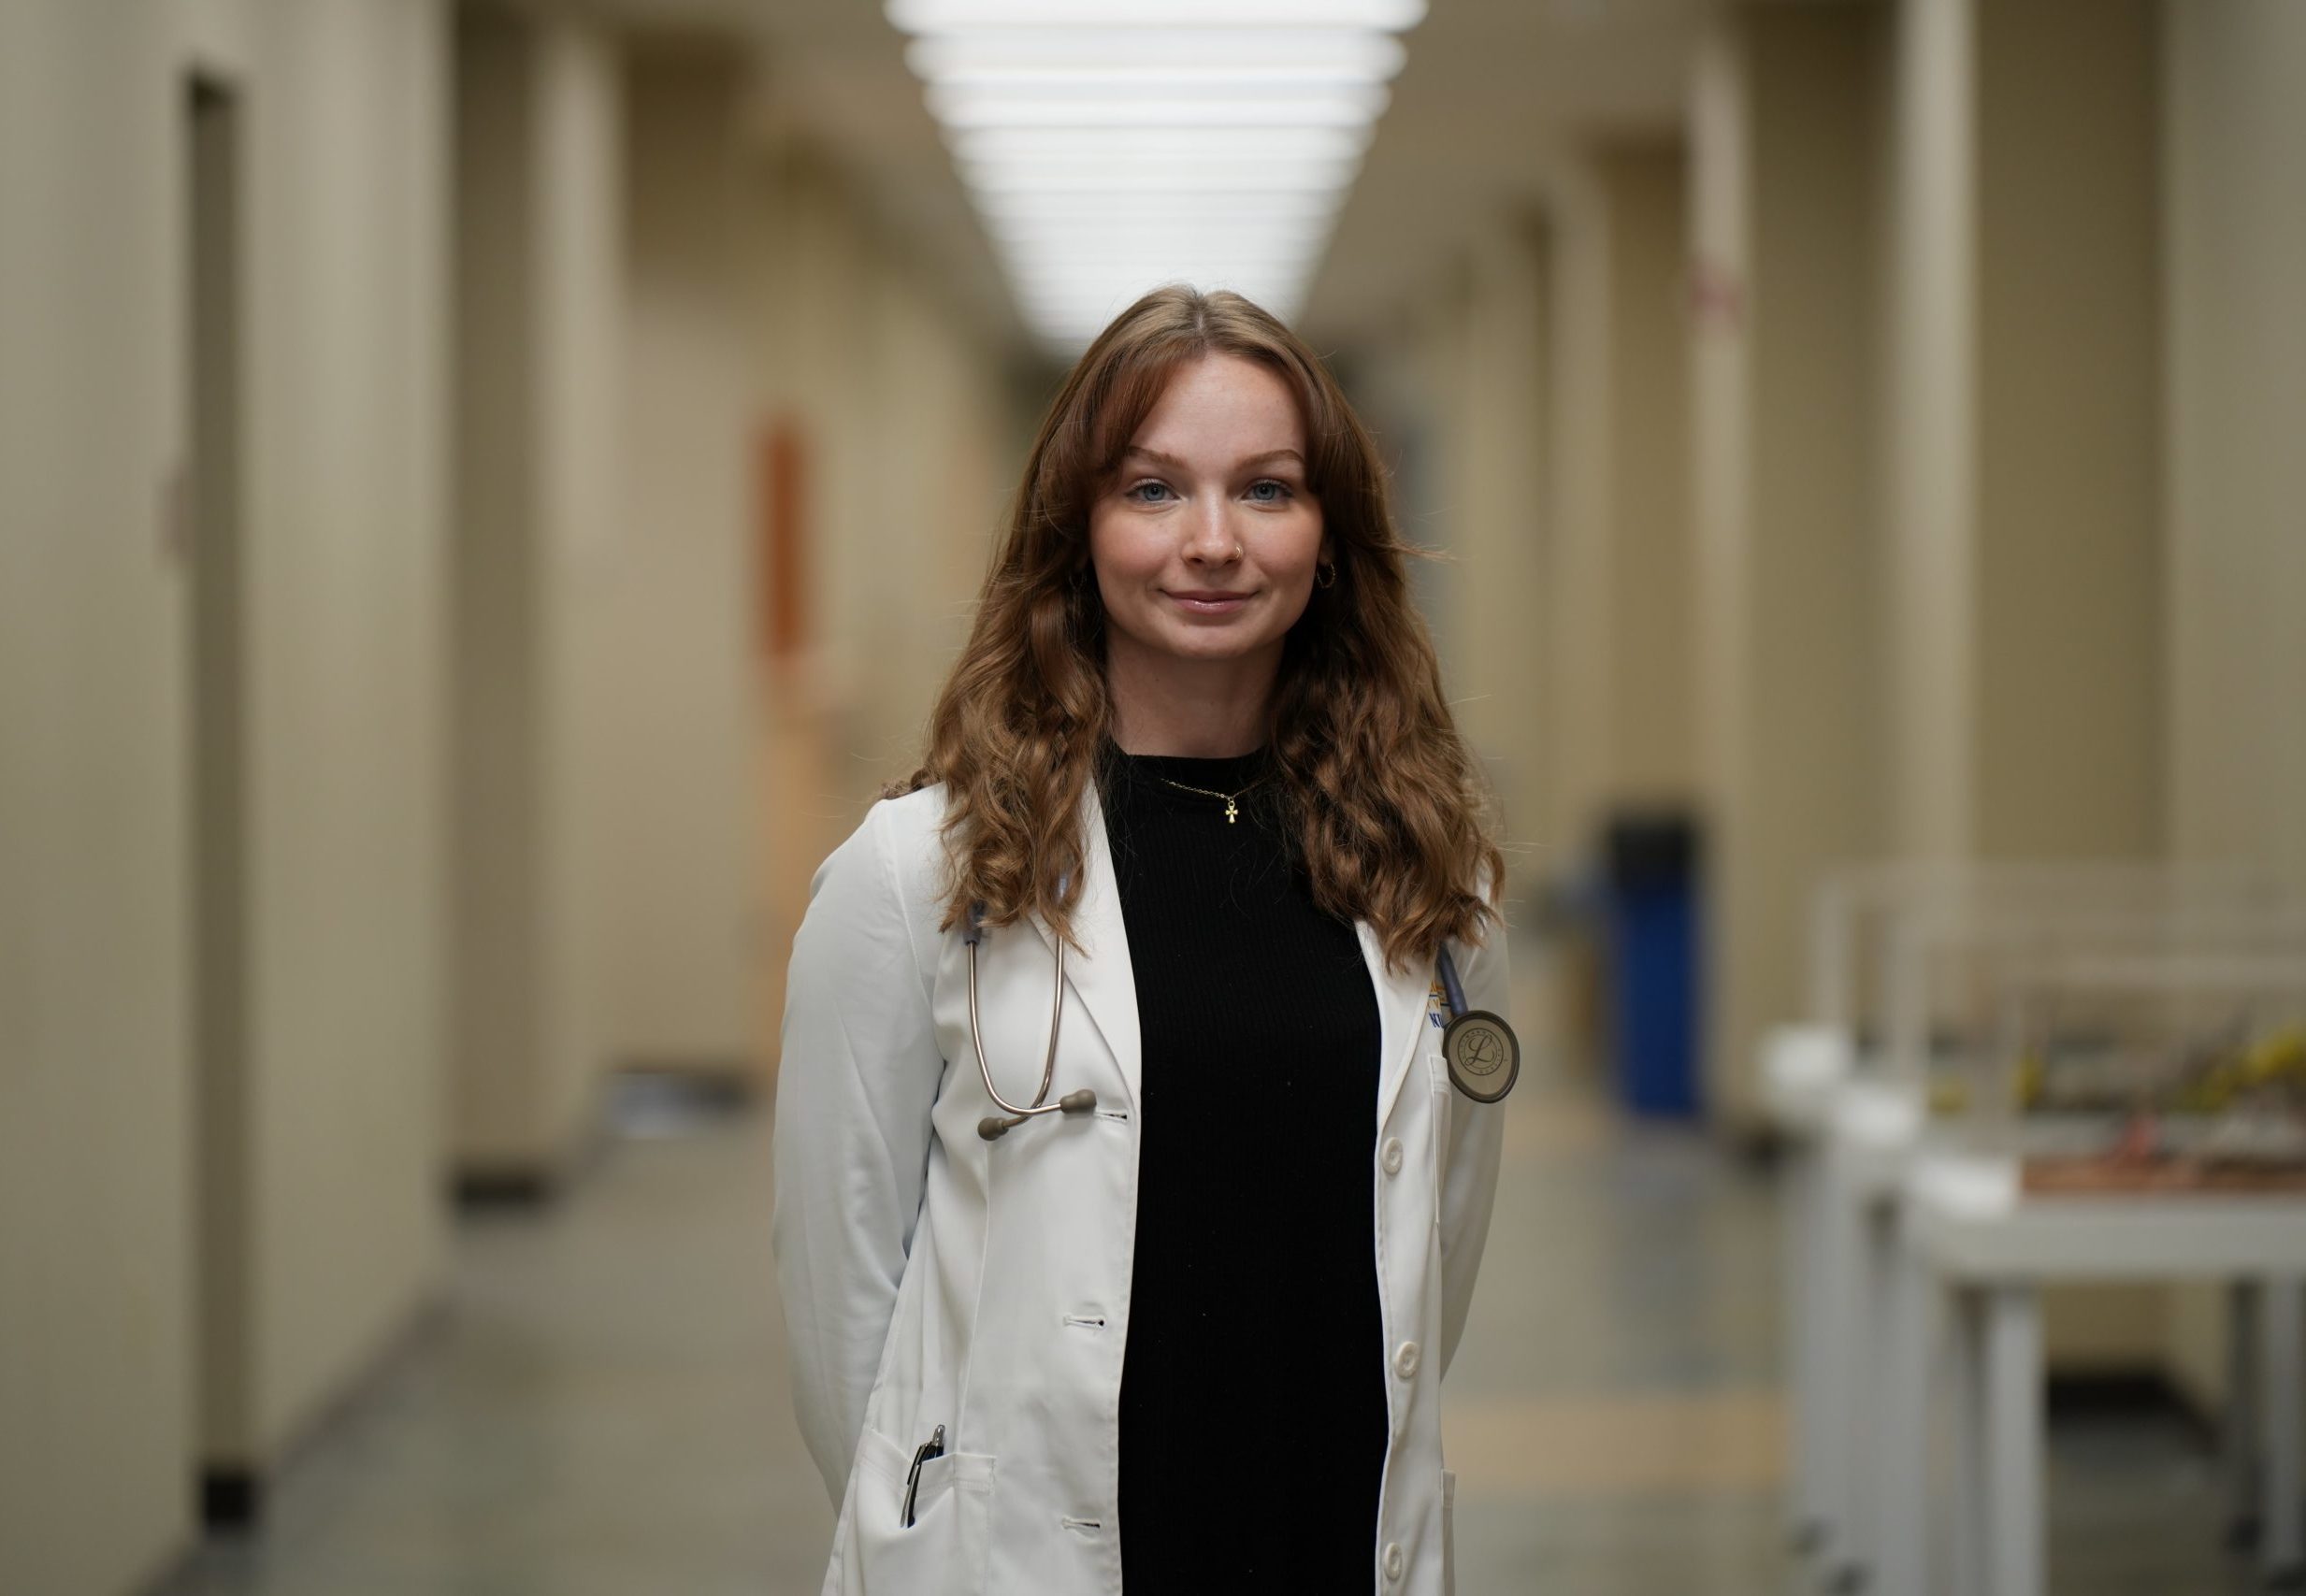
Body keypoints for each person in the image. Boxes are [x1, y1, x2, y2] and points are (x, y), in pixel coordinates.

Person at [771, 283, 1510, 1596]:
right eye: (1153, 490)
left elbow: (1432, 1247)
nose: (1212, 542)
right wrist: (933, 1528)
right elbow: (843, 1297)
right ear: (1077, 529)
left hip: (1331, 1534)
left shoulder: (1427, 872)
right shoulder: (919, 872)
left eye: (1267, 490)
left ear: (1331, 536)